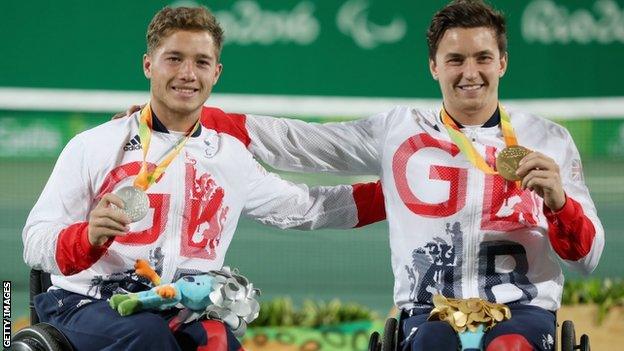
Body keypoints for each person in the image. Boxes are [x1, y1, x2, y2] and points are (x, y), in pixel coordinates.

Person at [229, 1, 604, 350]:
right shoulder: (400, 132)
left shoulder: (549, 139)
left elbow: (587, 259)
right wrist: (212, 122)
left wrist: (559, 203)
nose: (469, 72)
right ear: (434, 66)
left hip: (522, 310)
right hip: (430, 310)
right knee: (431, 345)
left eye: (483, 58)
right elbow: (303, 142)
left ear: (502, 62)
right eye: (455, 59)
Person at [21, 6, 379, 351]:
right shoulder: (93, 145)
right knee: (148, 336)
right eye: (174, 58)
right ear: (149, 65)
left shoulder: (230, 156)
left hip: (181, 310)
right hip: (88, 303)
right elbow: (35, 242)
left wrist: (397, 195)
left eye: (201, 62)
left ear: (217, 72)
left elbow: (305, 208)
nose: (188, 73)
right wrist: (87, 236)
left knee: (217, 341)